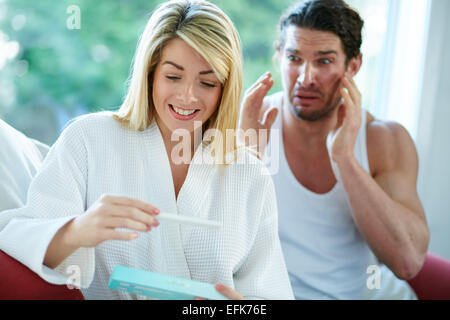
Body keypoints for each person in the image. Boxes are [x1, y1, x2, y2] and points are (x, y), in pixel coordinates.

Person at [0, 0, 293, 300]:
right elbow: (20, 243)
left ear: (225, 88)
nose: (187, 96)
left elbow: (268, 294)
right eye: (173, 76)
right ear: (150, 72)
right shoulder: (88, 139)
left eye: (207, 82)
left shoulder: (249, 174)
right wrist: (79, 229)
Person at [239, 0, 430, 299]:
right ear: (279, 56)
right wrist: (244, 159)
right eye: (294, 58)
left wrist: (345, 159)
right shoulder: (251, 122)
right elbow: (209, 241)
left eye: (324, 61)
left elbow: (408, 261)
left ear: (353, 66)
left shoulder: (385, 140)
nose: (305, 78)